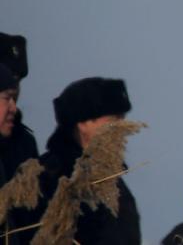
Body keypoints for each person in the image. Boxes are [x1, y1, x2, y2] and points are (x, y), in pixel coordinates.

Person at [28, 78, 140, 244]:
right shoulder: (52, 177)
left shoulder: (111, 179)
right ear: (83, 123)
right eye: (113, 121)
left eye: (123, 120)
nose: (122, 129)